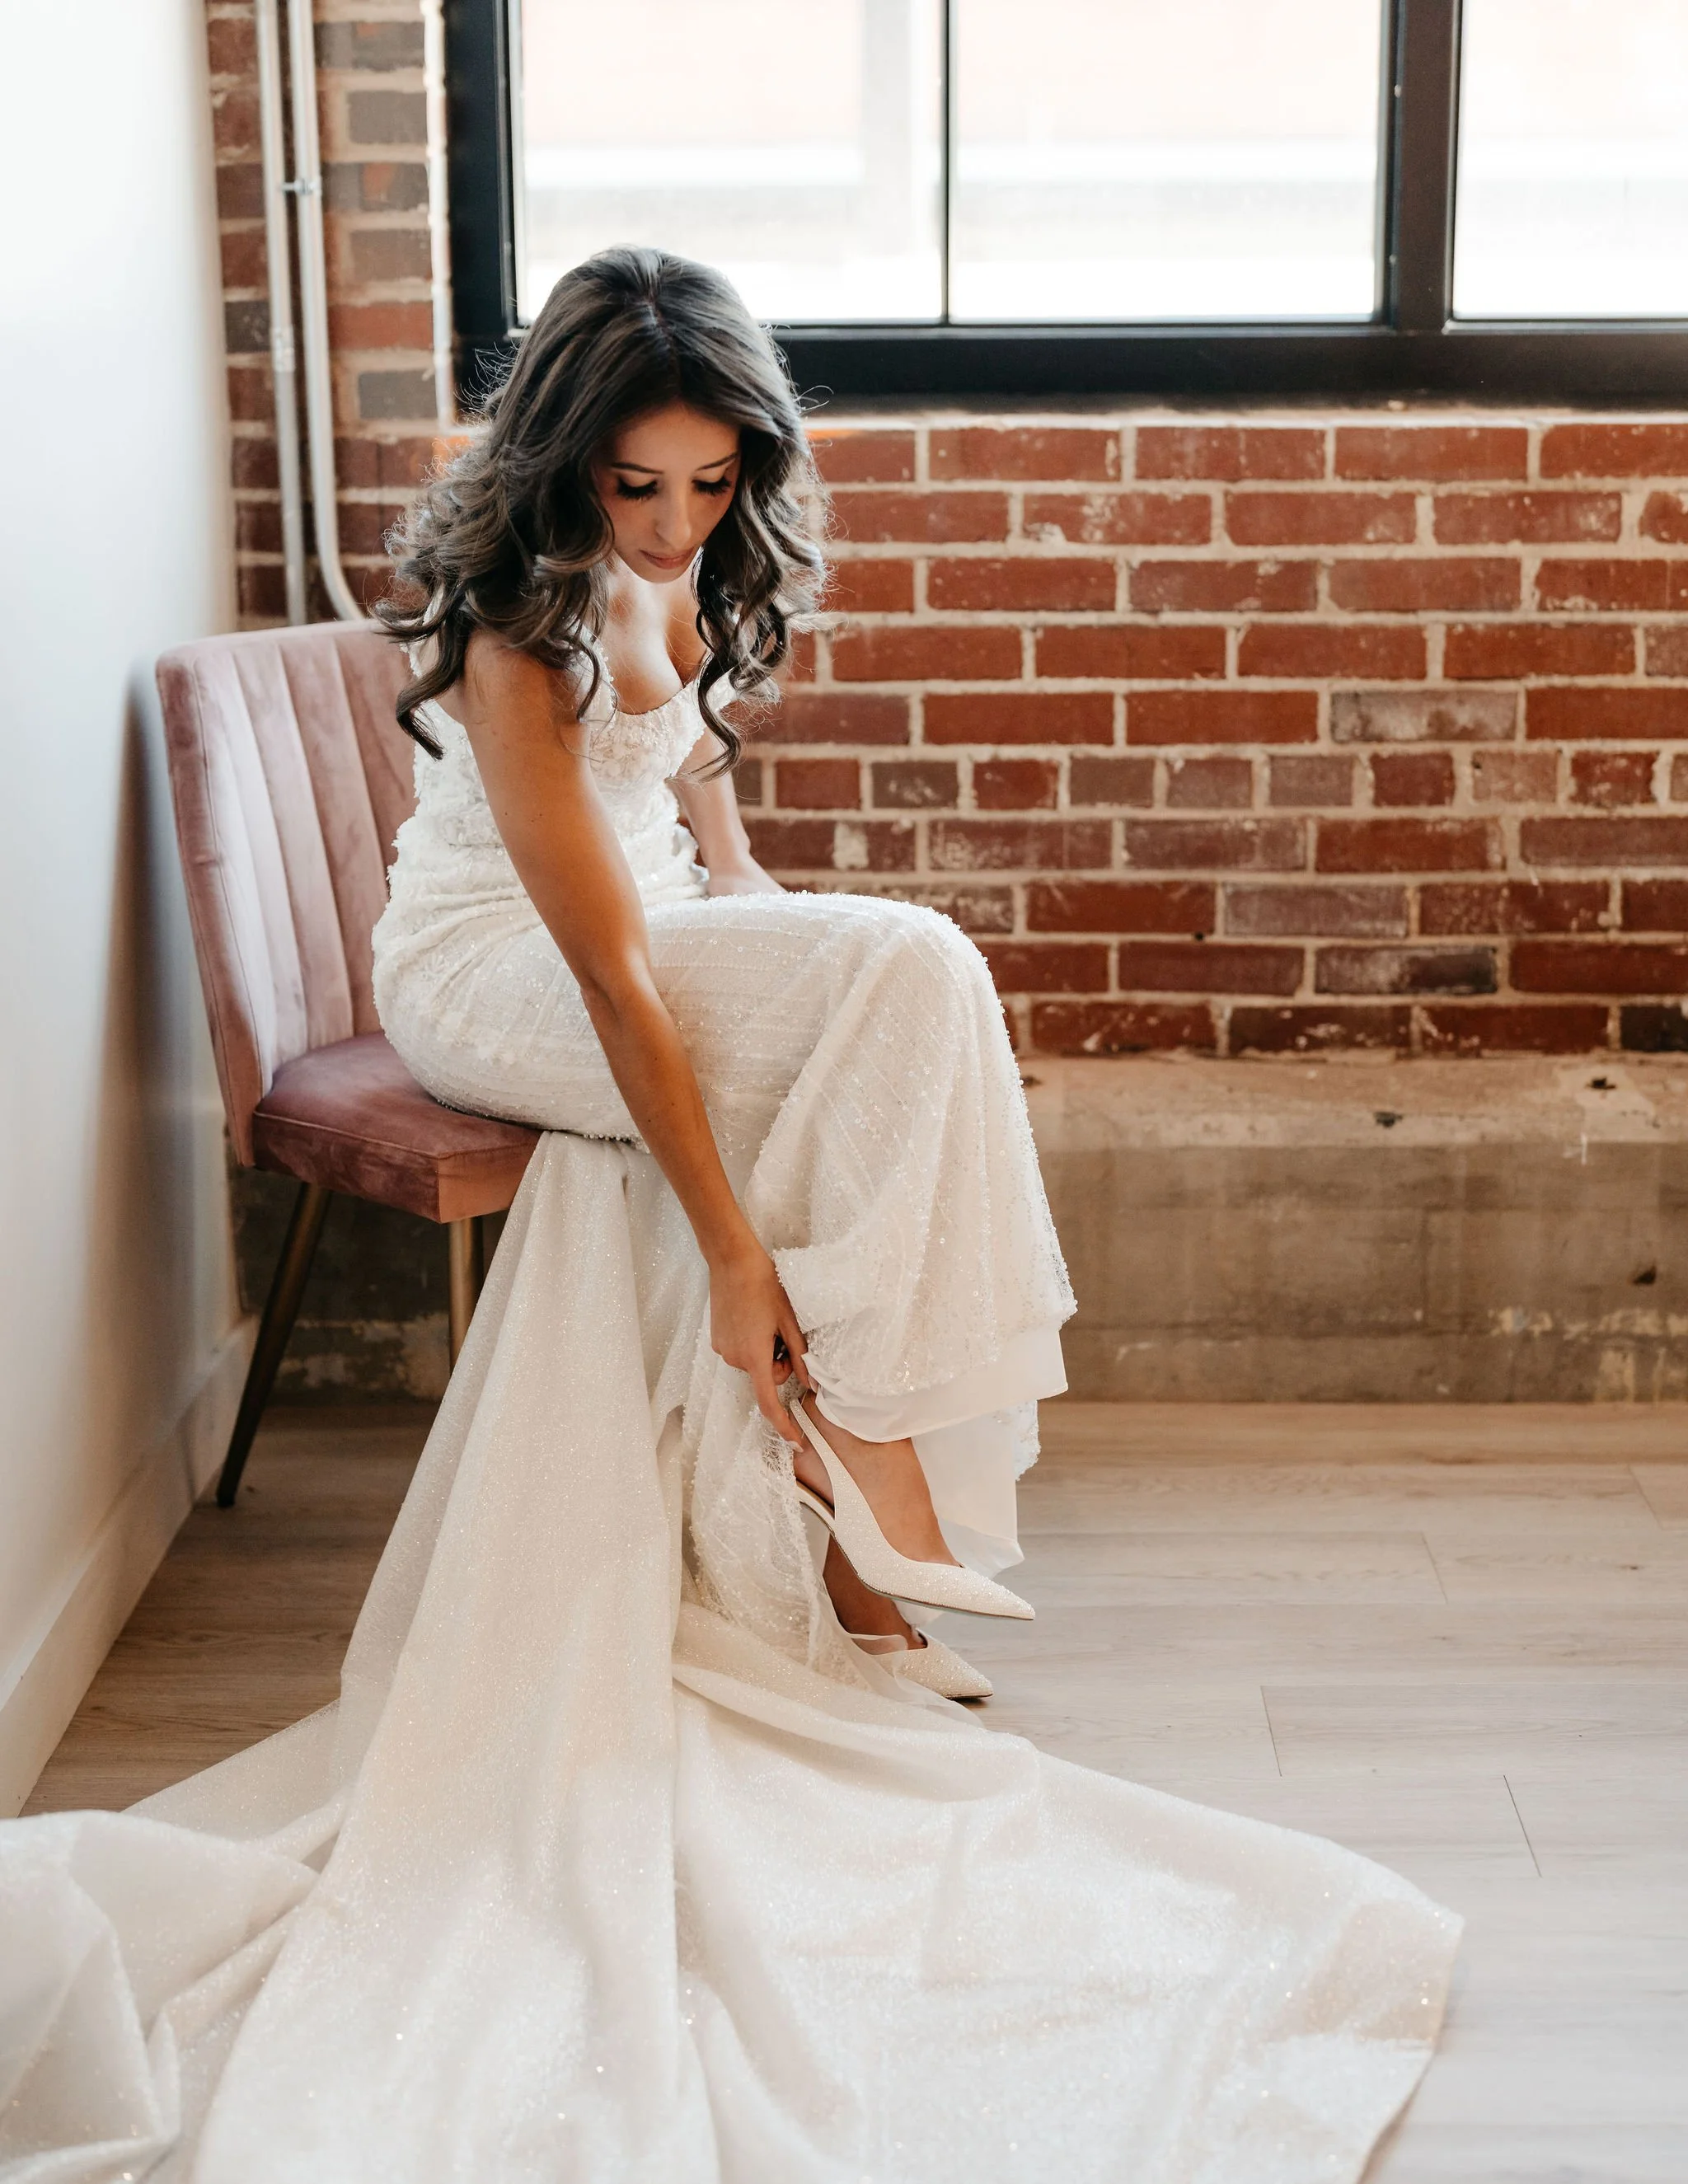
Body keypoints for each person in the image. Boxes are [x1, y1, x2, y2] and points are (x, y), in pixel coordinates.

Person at [0, 250, 1459, 2182]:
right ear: (564, 464)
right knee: (909, 969)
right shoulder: (513, 627)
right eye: (639, 487)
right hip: (494, 969)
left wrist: (780, 937)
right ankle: (867, 1469)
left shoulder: (691, 576)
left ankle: (850, 1470)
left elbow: (701, 840)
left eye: (708, 482)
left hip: (643, 933)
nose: (677, 518)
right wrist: (741, 1252)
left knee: (894, 980)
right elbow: (605, 977)